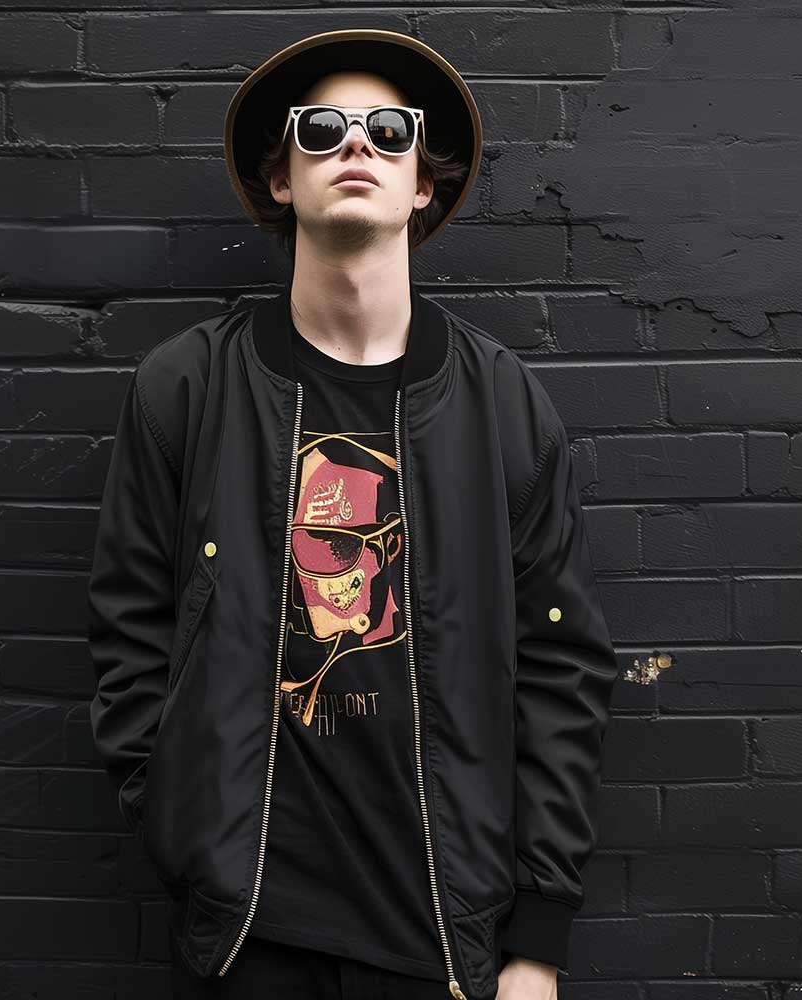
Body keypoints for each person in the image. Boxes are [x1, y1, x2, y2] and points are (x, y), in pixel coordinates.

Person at [86, 28, 617, 1000]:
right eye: (322, 128)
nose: (357, 144)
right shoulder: (187, 388)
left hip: (441, 939)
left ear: (422, 185)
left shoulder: (503, 407)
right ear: (281, 178)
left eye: (389, 129)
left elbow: (562, 670)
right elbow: (130, 630)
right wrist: (175, 818)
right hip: (242, 934)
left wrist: (537, 941)